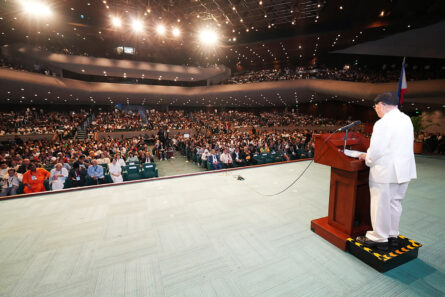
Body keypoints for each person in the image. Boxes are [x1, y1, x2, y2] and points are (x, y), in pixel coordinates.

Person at [356, 92, 417, 250]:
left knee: (381, 205)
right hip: (404, 170)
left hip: (385, 171)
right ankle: (392, 235)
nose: (376, 110)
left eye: (376, 107)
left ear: (382, 105)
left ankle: (379, 238)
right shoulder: (406, 119)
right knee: (395, 204)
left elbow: (376, 150)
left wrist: (367, 158)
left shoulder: (383, 123)